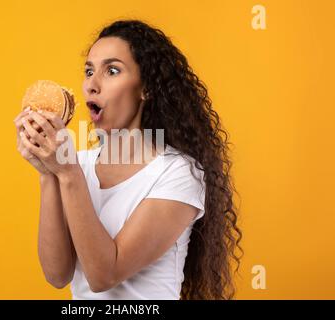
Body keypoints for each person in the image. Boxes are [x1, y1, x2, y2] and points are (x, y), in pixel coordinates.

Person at [14, 19, 243, 300]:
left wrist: (67, 172)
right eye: (89, 71)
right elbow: (57, 275)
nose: (91, 85)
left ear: (145, 88)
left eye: (111, 71)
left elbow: (104, 275)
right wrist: (47, 172)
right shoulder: (76, 164)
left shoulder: (179, 172)